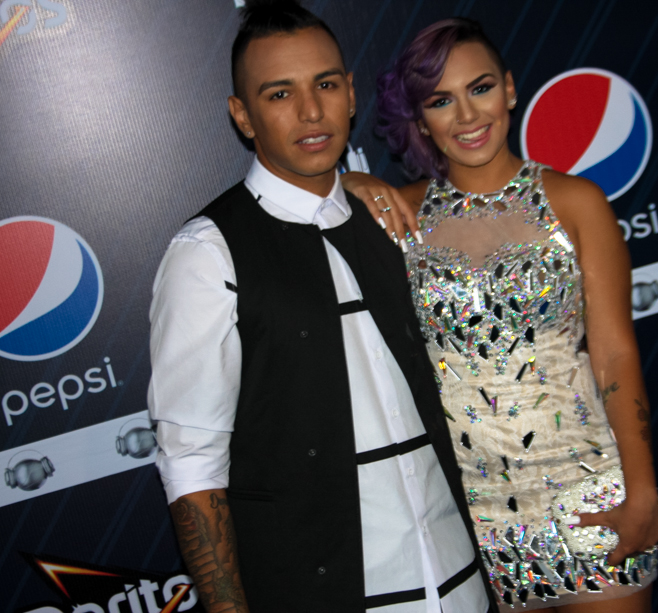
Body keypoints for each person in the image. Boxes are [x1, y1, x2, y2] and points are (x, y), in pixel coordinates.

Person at [147, 4, 492, 612]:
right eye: (280, 94)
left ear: (351, 95)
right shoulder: (207, 253)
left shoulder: (387, 220)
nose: (311, 112)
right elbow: (192, 467)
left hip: (462, 584)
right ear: (242, 115)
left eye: (326, 85)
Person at [341, 18, 658, 612]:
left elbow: (615, 355)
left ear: (510, 89)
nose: (467, 116)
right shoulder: (398, 214)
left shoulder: (577, 203)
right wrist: (353, 183)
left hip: (591, 493)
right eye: (441, 100)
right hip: (478, 516)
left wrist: (642, 490)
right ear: (420, 119)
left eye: (481, 88)